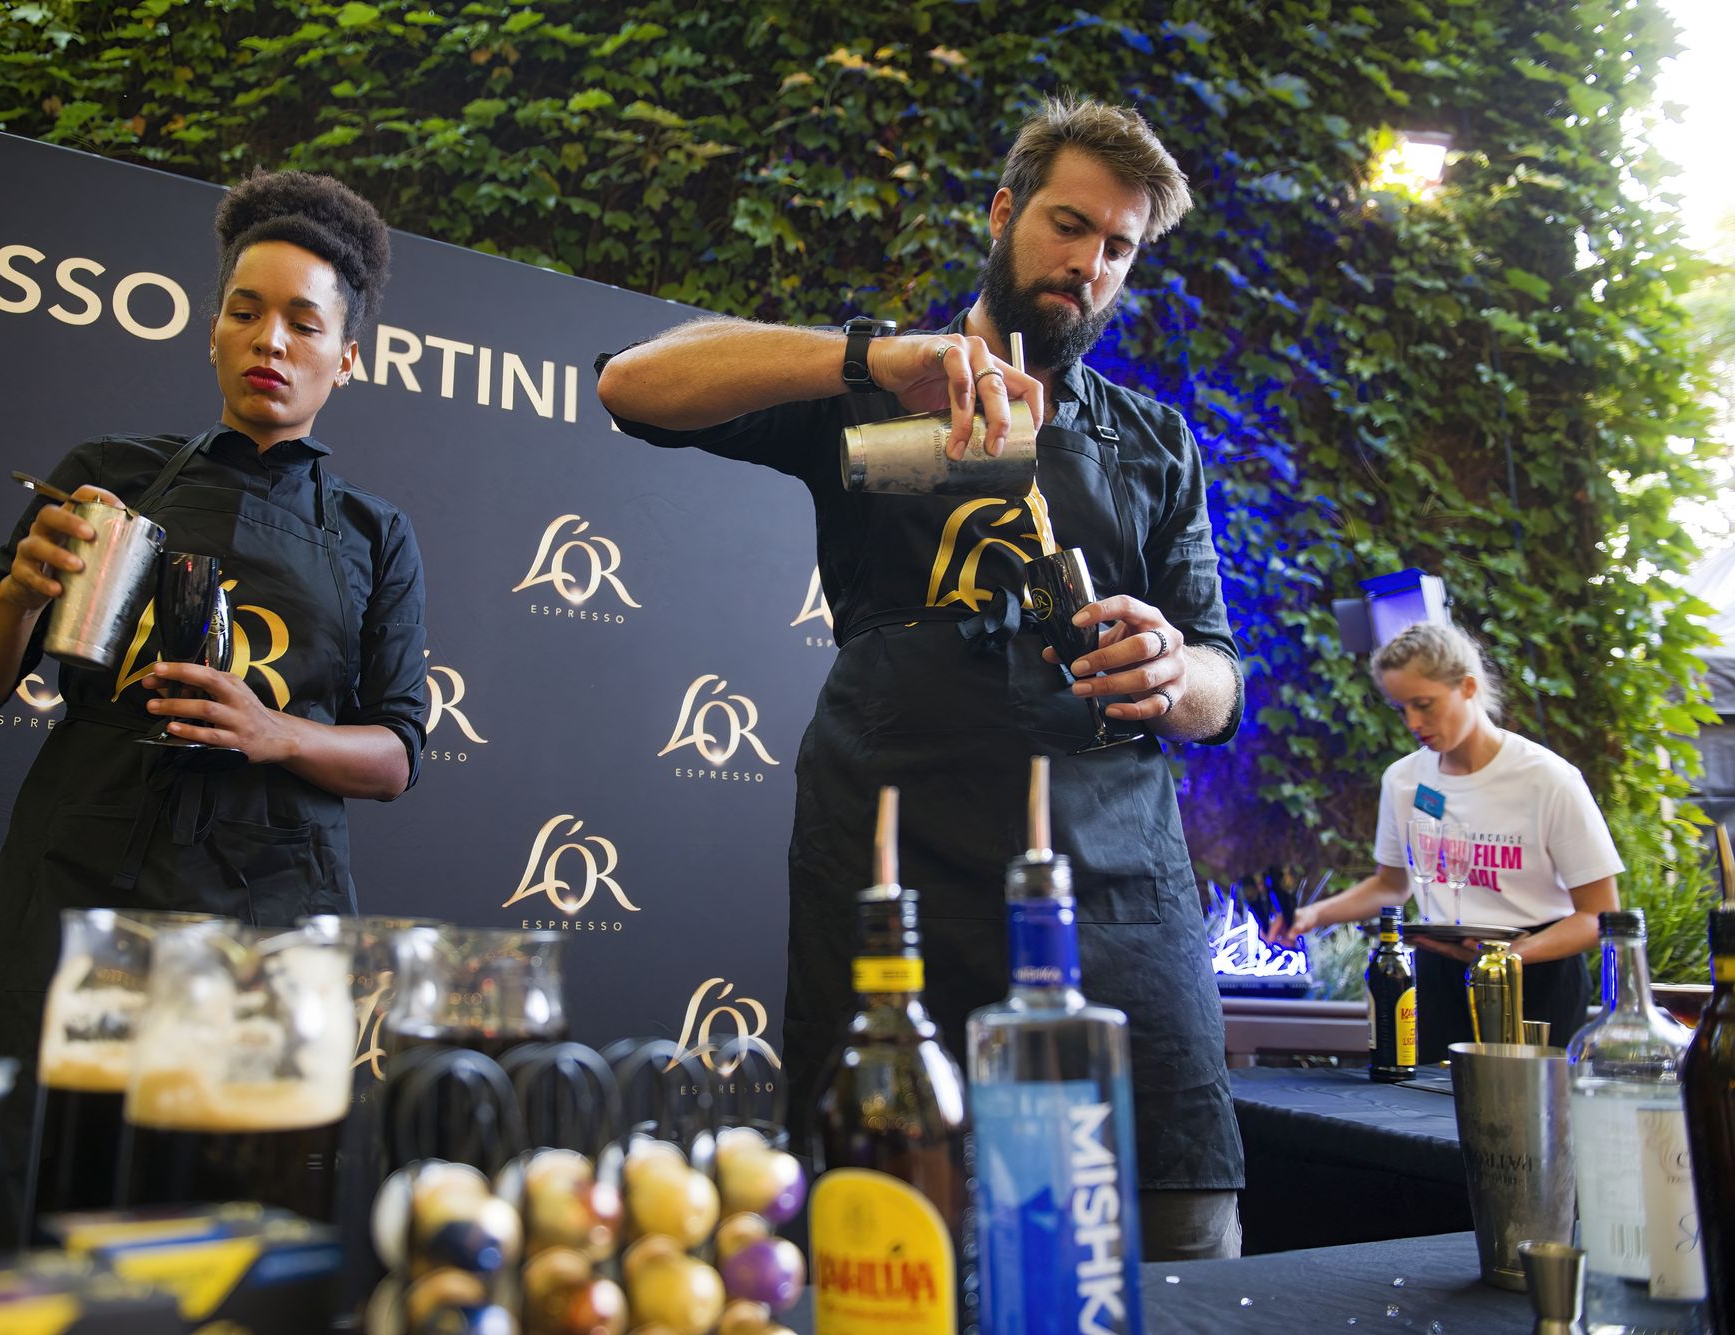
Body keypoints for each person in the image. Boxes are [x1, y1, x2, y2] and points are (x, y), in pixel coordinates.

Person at [597, 96, 1247, 1260]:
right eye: (1067, 225)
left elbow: (1219, 681)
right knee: (888, 1234)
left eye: (1117, 249)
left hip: (1114, 896)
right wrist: (872, 357)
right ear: (1003, 214)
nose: (1086, 264)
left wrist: (1170, 665)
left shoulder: (1154, 443)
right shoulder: (875, 392)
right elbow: (632, 386)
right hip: (895, 871)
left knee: (1173, 1239)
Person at [0, 171, 428, 1213]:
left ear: (348, 357)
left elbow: (395, 754)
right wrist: (22, 595)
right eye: (245, 312)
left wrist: (274, 732)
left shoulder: (376, 535)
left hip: (272, 904)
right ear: (211, 333)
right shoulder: (108, 475)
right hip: (79, 879)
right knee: (48, 1186)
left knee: (242, 1211)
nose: (269, 341)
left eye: (302, 322)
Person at [1275, 622, 1621, 1059]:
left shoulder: (1547, 779)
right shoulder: (1404, 780)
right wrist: (1312, 915)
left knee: (1531, 1119)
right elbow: (1391, 886)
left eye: (1424, 705)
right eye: (1401, 709)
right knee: (1433, 1117)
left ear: (1468, 687)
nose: (1414, 723)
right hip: (1440, 971)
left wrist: (1508, 958)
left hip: (1539, 975)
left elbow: (1600, 914)